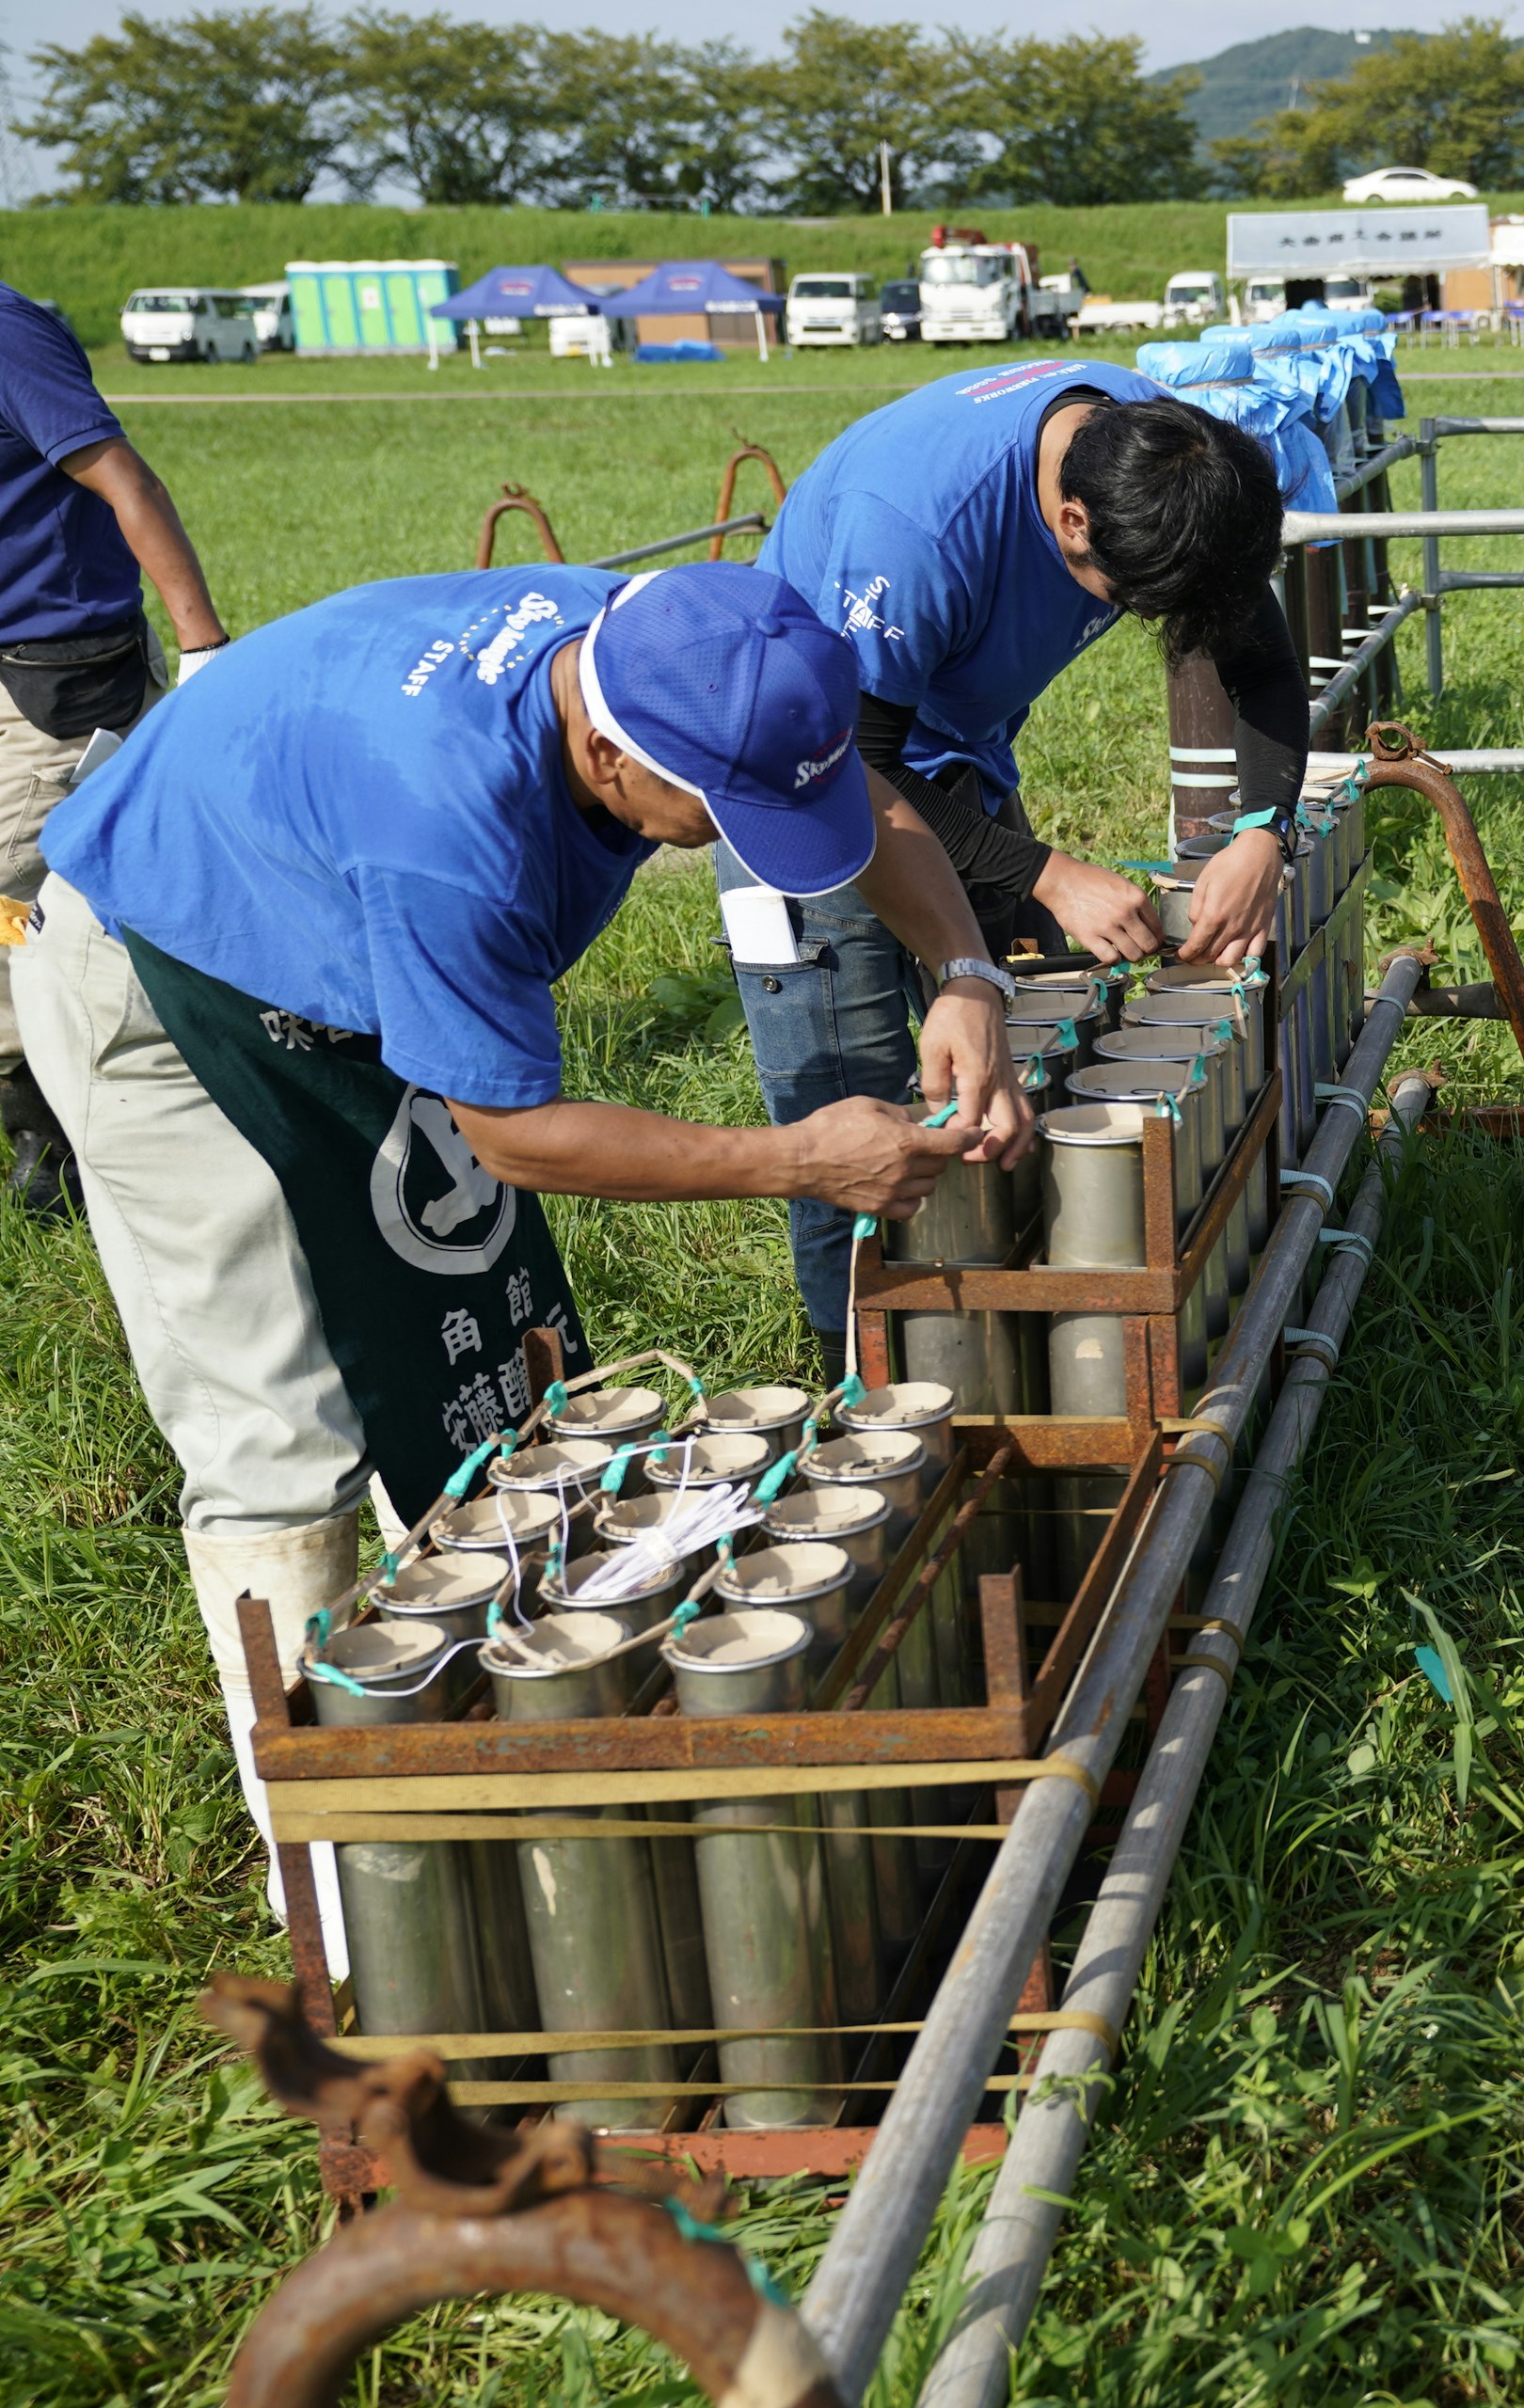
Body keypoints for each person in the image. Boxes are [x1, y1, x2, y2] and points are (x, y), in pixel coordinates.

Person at [15, 559, 1031, 1919]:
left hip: (333, 940)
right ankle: (341, 1881)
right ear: (607, 753)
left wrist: (964, 973)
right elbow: (515, 1137)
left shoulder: (681, 644)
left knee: (459, 1356)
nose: (722, 833)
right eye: (709, 810)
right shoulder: (451, 829)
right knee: (284, 1425)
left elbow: (834, 778)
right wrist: (796, 1161)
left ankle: (492, 1727)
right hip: (174, 972)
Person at [737, 358, 1305, 1381]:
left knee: (1004, 1081)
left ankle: (1016, 1365)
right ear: (1072, 523)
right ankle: (860, 1390)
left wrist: (1263, 829)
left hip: (947, 749)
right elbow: (850, 764)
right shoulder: (914, 532)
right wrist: (1048, 873)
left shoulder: (1160, 456)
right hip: (801, 779)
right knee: (863, 1129)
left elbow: (1258, 653)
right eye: (1132, 603)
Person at [0, 277, 227, 1213]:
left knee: (20, 893)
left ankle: (59, 1134)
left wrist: (204, 645)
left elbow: (124, 477)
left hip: (56, 671)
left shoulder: (8, 334)